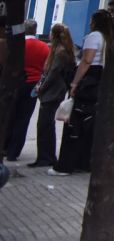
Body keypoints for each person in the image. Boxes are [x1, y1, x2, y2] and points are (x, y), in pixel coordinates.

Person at [50, 9, 114, 176]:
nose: (89, 23)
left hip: (87, 80)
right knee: (88, 123)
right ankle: (84, 161)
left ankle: (65, 165)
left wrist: (75, 82)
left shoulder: (94, 37)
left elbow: (87, 60)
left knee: (74, 122)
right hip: (98, 81)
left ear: (95, 22)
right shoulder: (108, 38)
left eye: (91, 20)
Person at [29, 24, 75, 168]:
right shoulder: (60, 51)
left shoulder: (60, 53)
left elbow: (52, 74)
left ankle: (46, 157)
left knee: (45, 125)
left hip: (52, 93)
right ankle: (45, 156)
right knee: (46, 125)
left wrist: (41, 88)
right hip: (54, 91)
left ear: (53, 35)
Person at [5, 20, 50, 161]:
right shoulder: (44, 47)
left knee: (9, 115)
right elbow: (46, 67)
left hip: (16, 83)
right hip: (32, 85)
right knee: (23, 119)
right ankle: (14, 151)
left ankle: (4, 146)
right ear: (35, 30)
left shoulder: (17, 45)